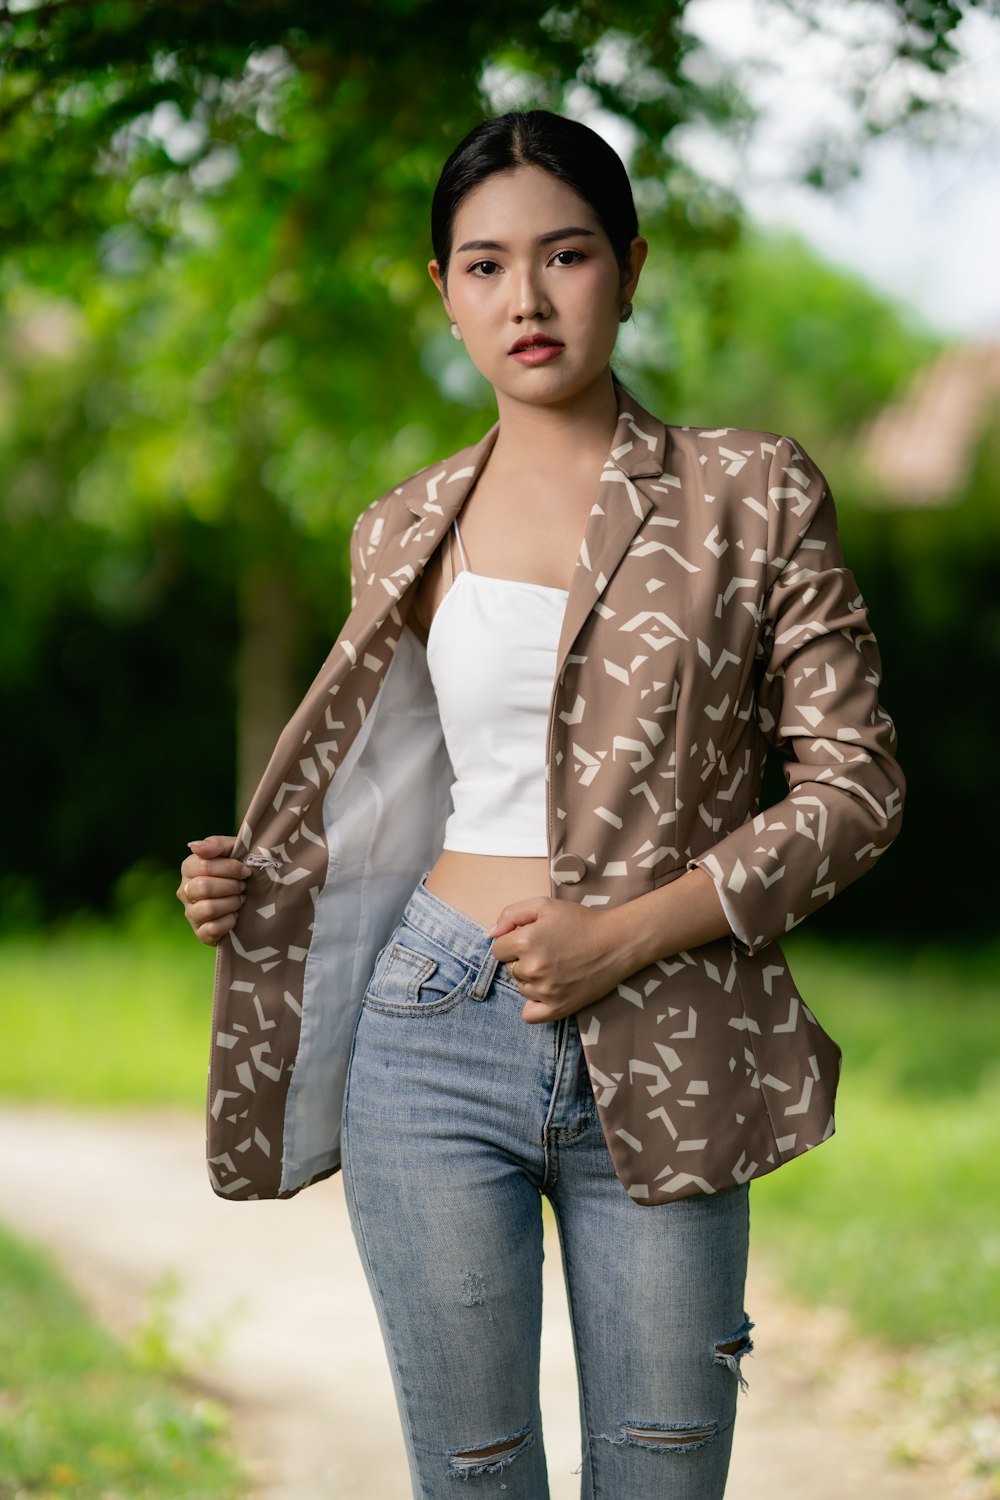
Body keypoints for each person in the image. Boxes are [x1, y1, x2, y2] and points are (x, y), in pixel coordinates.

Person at [177, 110, 904, 1500]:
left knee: (664, 1473)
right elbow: (409, 786)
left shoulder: (751, 493)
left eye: (565, 255)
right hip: (431, 1035)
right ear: (443, 292)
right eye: (485, 265)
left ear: (628, 269)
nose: (527, 297)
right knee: (473, 1476)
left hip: (675, 1031)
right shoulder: (403, 524)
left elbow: (856, 786)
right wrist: (262, 884)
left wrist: (625, 936)